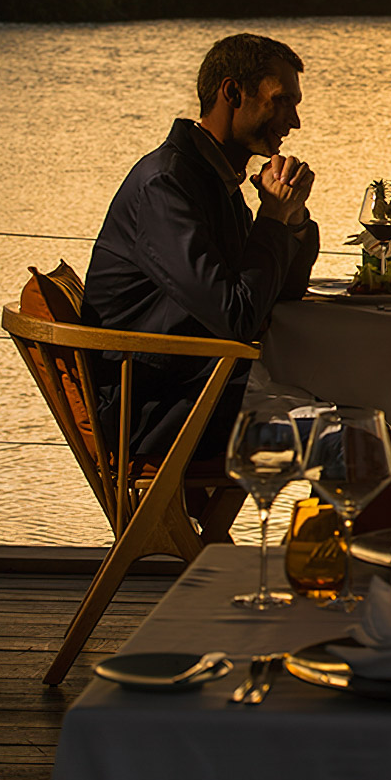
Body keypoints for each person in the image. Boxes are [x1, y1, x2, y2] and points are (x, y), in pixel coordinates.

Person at [81, 33, 320, 460]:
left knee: (355, 412)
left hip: (203, 391)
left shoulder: (214, 178)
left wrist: (293, 216)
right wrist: (271, 218)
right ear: (233, 92)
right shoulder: (168, 185)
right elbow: (238, 317)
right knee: (354, 439)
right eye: (282, 101)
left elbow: (279, 293)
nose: (294, 121)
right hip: (157, 417)